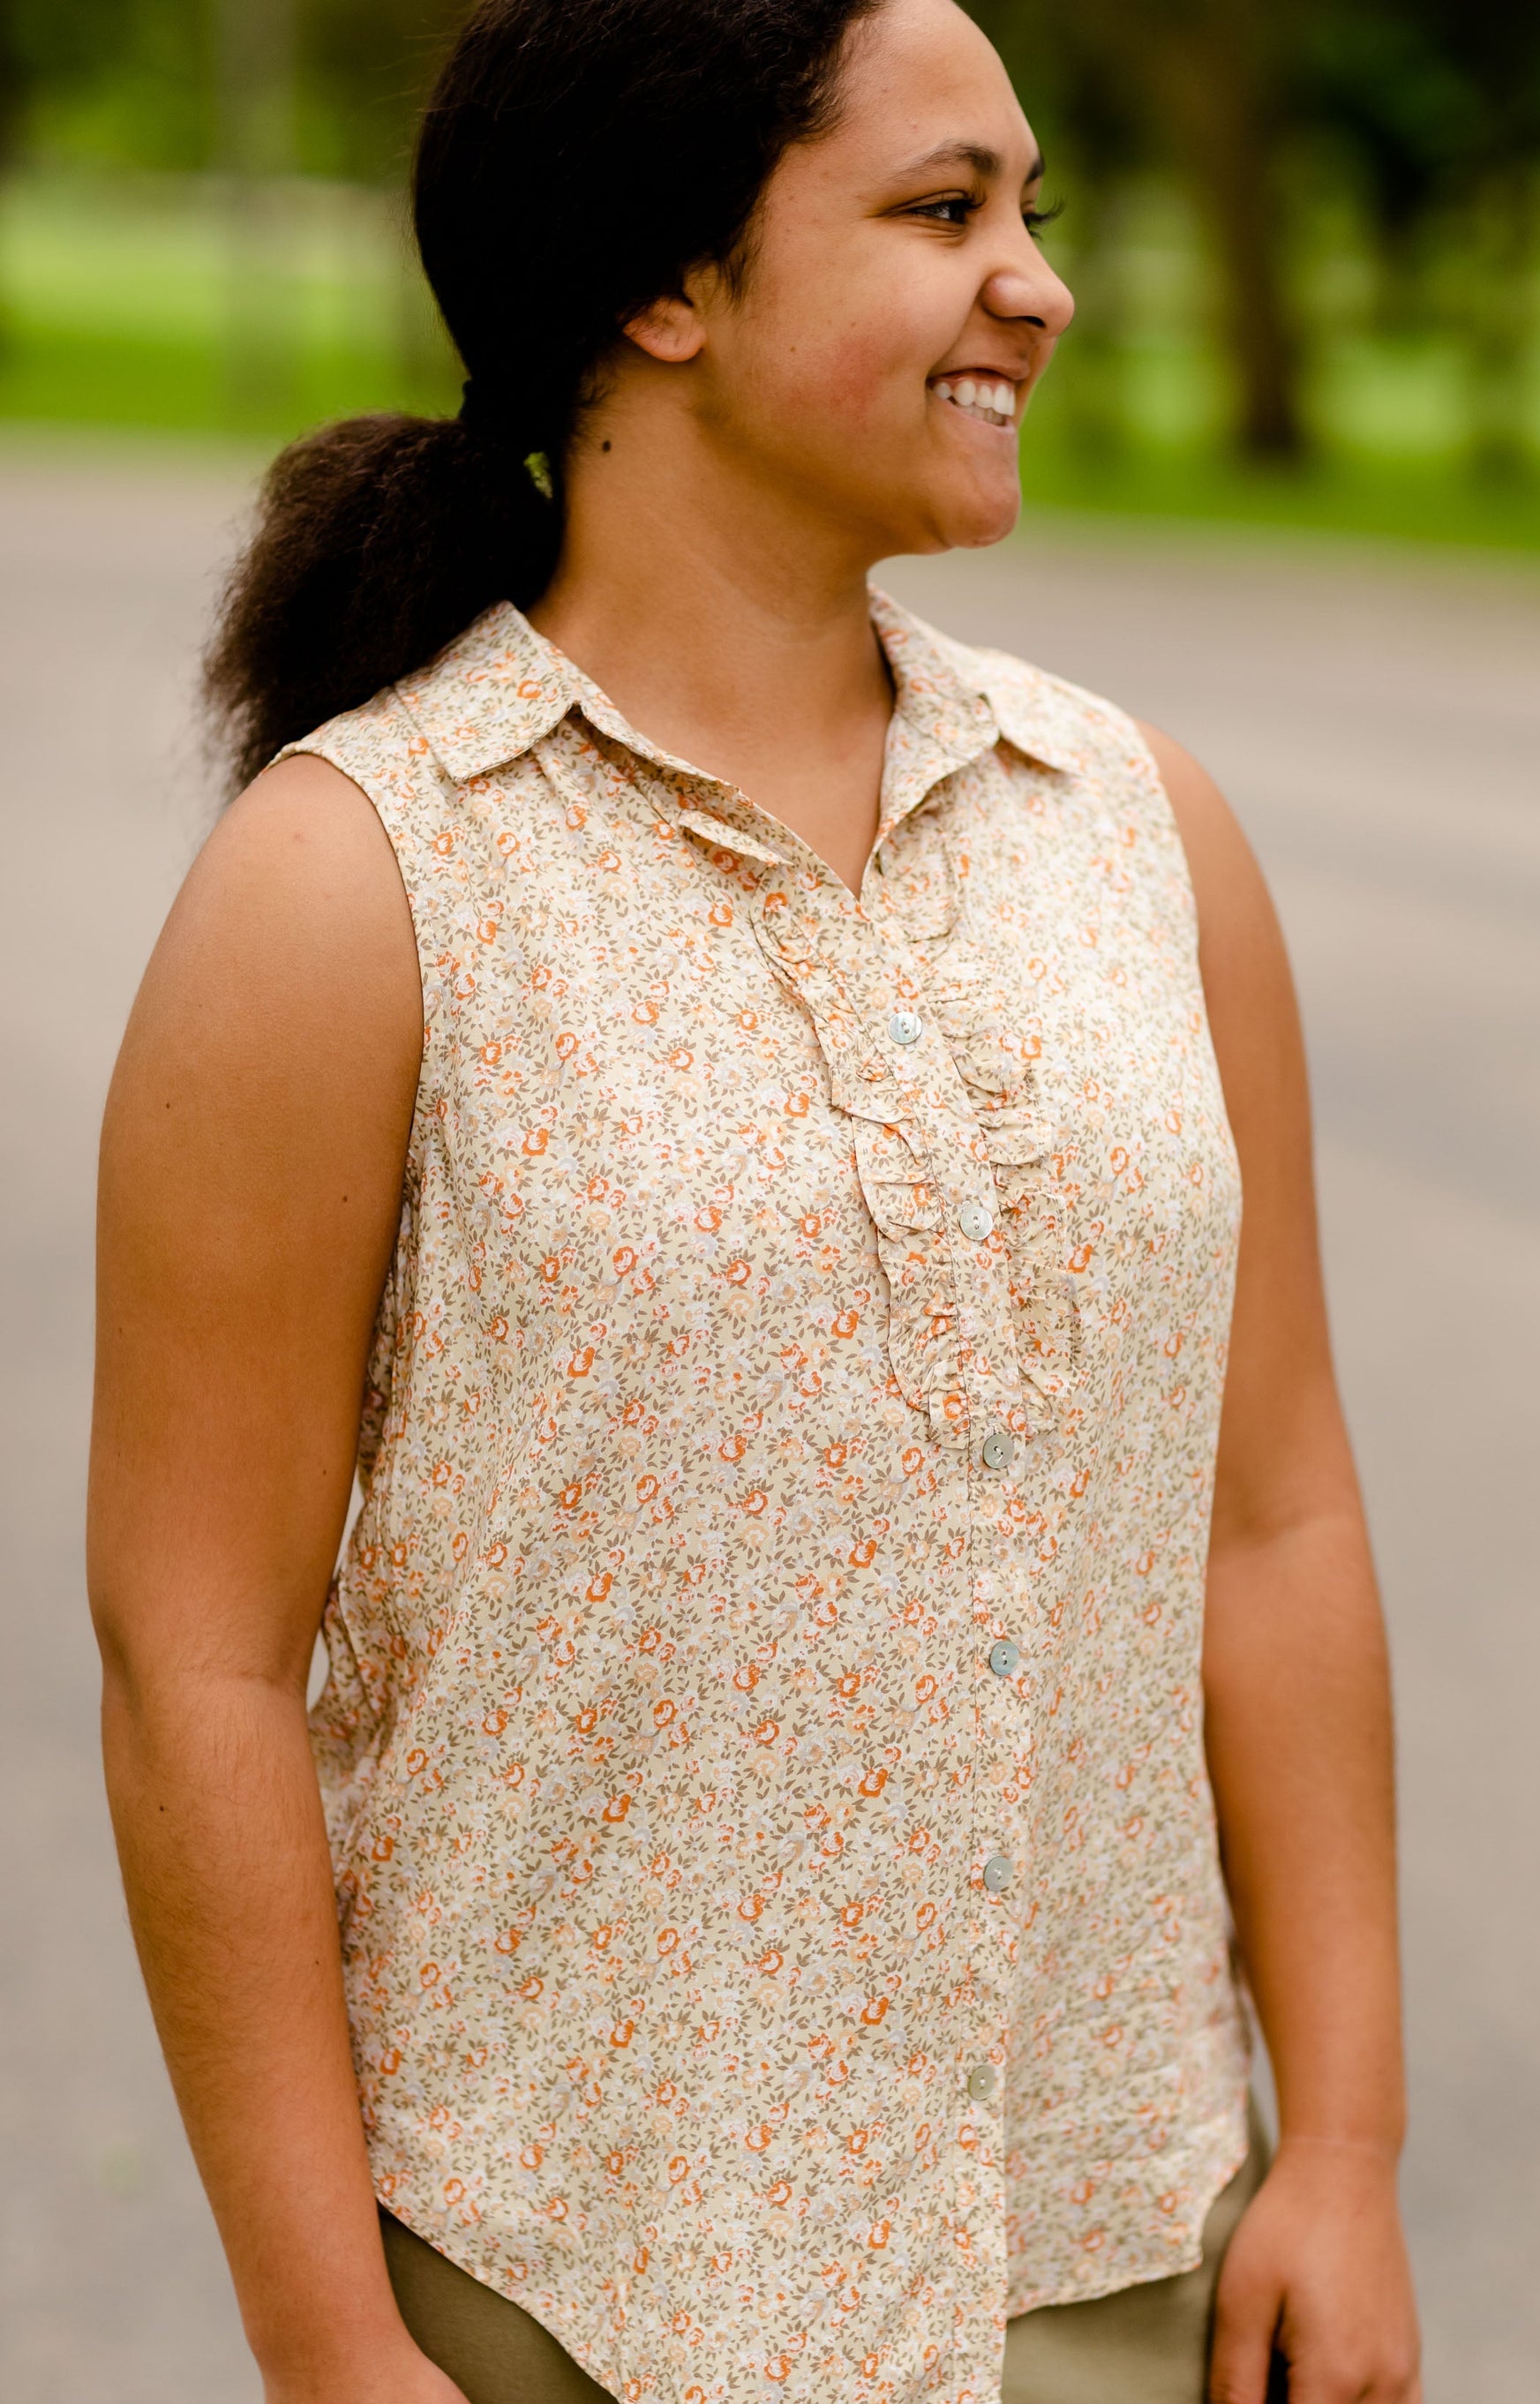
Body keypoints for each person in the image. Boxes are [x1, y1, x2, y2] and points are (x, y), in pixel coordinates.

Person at [88, 1, 1422, 2399]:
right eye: (940, 211)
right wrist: (326, 2339)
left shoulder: (1141, 830)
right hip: (564, 2276)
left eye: (1035, 209)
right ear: (658, 284)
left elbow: (1274, 1520)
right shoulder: (353, 882)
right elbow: (196, 1661)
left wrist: (1335, 2153)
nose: (1036, 283)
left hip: (1112, 2245)